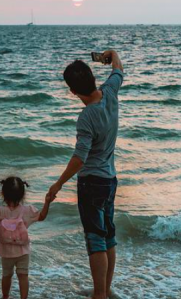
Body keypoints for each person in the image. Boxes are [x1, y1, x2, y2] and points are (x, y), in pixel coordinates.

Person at [47, 50, 125, 299]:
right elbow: (118, 68)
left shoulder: (86, 117)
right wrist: (109, 54)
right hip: (110, 180)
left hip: (92, 182)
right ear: (93, 77)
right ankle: (104, 289)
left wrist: (57, 184)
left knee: (96, 240)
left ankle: (99, 294)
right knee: (108, 236)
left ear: (72, 91)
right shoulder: (110, 92)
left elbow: (80, 158)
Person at [0, 176, 54, 299]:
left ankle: (5, 297)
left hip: (6, 253)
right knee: (23, 276)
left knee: (6, 276)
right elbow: (42, 216)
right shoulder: (27, 210)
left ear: (3, 193)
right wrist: (47, 202)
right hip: (23, 252)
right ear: (22, 194)